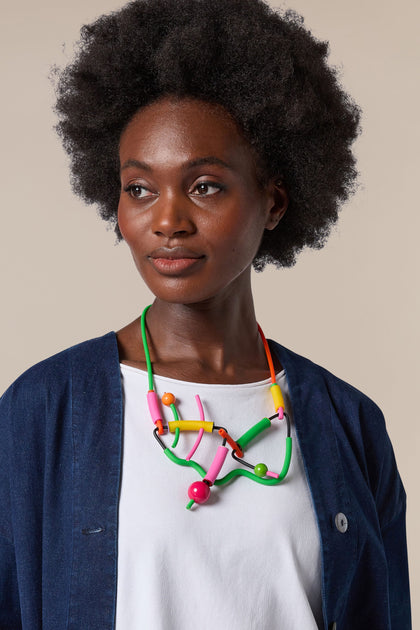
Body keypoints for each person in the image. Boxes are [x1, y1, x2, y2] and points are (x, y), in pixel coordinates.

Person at [0, 0, 411, 628]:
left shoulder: (348, 424)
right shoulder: (44, 409)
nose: (167, 220)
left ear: (273, 202)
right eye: (139, 189)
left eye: (205, 186)